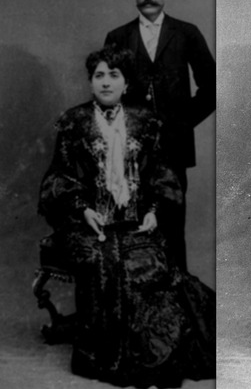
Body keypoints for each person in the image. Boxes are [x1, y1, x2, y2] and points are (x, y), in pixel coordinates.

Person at [38, 46, 215, 388]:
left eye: (113, 75)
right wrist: (82, 209)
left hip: (135, 223)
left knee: (151, 262)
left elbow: (162, 175)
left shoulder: (145, 121)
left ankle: (149, 352)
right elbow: (58, 178)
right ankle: (103, 354)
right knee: (102, 260)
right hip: (86, 225)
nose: (106, 82)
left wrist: (153, 212)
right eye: (99, 75)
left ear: (126, 81)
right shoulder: (73, 122)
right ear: (91, 81)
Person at [104, 0, 216, 272]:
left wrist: (182, 122)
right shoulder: (118, 36)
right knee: (131, 220)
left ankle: (177, 295)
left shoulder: (186, 33)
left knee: (171, 222)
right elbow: (108, 93)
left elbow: (212, 86)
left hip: (174, 148)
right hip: (128, 149)